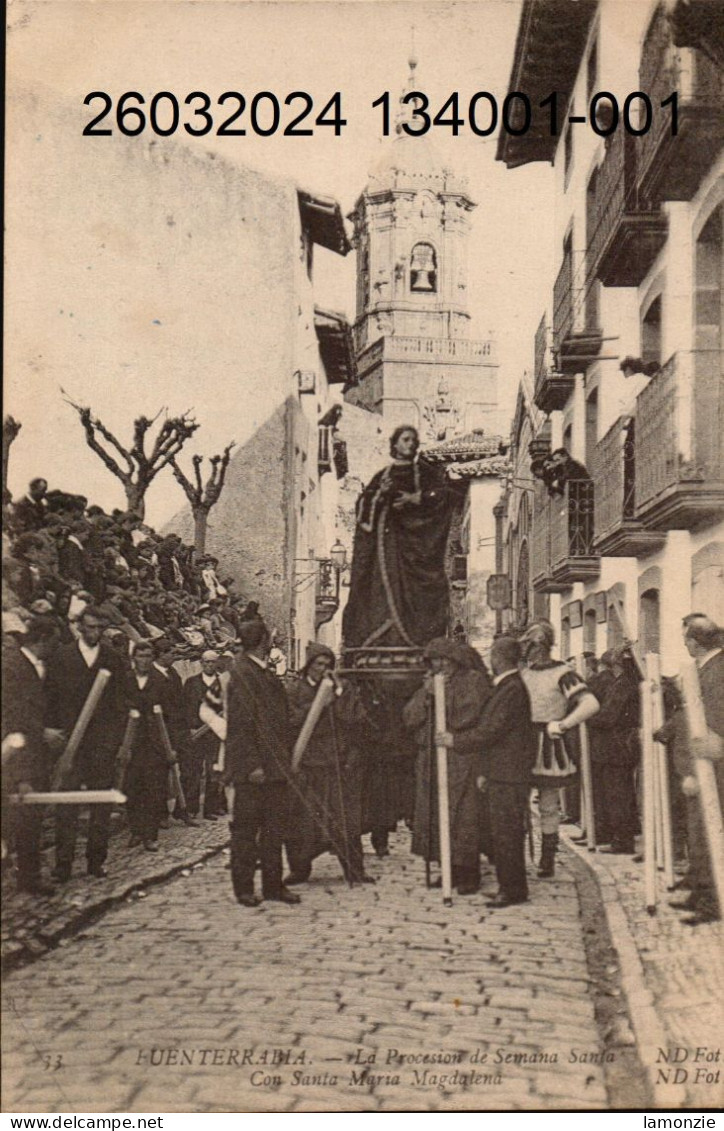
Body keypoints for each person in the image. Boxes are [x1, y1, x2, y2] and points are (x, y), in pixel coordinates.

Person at [342, 426, 452, 649]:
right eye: (405, 439)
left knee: (422, 592)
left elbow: (444, 496)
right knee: (384, 587)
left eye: (413, 440)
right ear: (394, 444)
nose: (410, 444)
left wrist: (416, 498)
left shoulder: (427, 474)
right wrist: (381, 494)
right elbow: (363, 510)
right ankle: (384, 638)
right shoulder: (382, 477)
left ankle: (418, 639)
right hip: (389, 547)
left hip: (418, 546)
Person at [403, 638, 492, 895]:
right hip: (431, 758)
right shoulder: (430, 683)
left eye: (444, 660)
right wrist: (427, 696)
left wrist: (440, 698)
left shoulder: (473, 681)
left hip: (462, 758)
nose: (440, 665)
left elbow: (469, 716)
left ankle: (468, 872)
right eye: (434, 661)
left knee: (464, 817)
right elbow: (410, 718)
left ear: (455, 660)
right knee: (435, 814)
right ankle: (447, 868)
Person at [46, 605, 126, 880]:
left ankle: (96, 861)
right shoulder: (61, 657)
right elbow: (50, 700)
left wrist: (112, 742)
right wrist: (55, 737)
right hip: (70, 743)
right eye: (90, 627)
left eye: (100, 628)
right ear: (79, 626)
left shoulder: (113, 659)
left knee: (100, 804)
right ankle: (64, 863)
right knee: (66, 803)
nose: (95, 633)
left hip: (100, 745)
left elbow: (120, 705)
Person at [285, 643, 374, 886]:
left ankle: (354, 870)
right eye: (318, 665)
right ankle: (300, 868)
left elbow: (356, 720)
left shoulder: (342, 690)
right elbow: (289, 721)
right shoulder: (295, 690)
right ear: (308, 666)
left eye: (327, 665)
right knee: (302, 819)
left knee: (345, 818)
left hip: (336, 762)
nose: (323, 669)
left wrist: (338, 698)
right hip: (308, 763)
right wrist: (316, 707)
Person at [225, 619, 299, 907]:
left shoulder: (259, 670)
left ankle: (273, 885)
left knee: (273, 830)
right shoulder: (243, 672)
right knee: (246, 830)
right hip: (254, 770)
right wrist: (252, 764)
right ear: (262, 640)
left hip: (274, 766)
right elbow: (241, 726)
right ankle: (244, 888)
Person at [519, 619, 600, 878]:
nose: (529, 651)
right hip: (523, 742)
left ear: (542, 646)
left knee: (548, 804)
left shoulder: (563, 673)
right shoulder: (524, 673)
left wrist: (564, 724)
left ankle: (547, 858)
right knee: (517, 801)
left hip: (548, 743)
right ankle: (516, 856)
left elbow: (590, 704)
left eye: (531, 645)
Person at [668, 614, 724, 925]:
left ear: (695, 642)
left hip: (711, 769)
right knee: (698, 832)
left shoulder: (717, 672)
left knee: (707, 832)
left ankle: (710, 901)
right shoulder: (706, 669)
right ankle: (700, 892)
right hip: (700, 764)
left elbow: (710, 728)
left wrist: (694, 772)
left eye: (686, 639)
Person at [1, 617, 62, 893]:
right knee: (21, 819)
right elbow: (13, 715)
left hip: (33, 756)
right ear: (43, 639)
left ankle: (28, 875)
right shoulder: (12, 667)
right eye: (53, 641)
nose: (55, 647)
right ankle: (27, 878)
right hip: (17, 757)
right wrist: (42, 733)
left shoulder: (34, 666)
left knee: (30, 819)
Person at [476, 636, 537, 907]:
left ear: (498, 658)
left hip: (509, 774)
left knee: (507, 833)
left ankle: (512, 890)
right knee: (503, 832)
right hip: (503, 772)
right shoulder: (509, 686)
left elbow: (492, 731)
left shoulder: (511, 689)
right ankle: (510, 886)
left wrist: (456, 740)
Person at [586, 646, 641, 854]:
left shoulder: (623, 685)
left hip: (616, 747)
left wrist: (587, 717)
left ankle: (623, 840)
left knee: (617, 793)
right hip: (619, 746)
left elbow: (608, 717)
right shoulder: (625, 683)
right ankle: (617, 835)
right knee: (618, 792)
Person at [184, 650, 224, 820]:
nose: (209, 665)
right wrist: (191, 727)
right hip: (196, 733)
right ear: (201, 663)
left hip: (215, 733)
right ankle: (191, 807)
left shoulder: (223, 683)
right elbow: (186, 707)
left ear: (217, 664)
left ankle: (210, 808)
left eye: (212, 662)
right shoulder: (191, 683)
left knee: (213, 771)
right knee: (193, 770)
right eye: (206, 662)